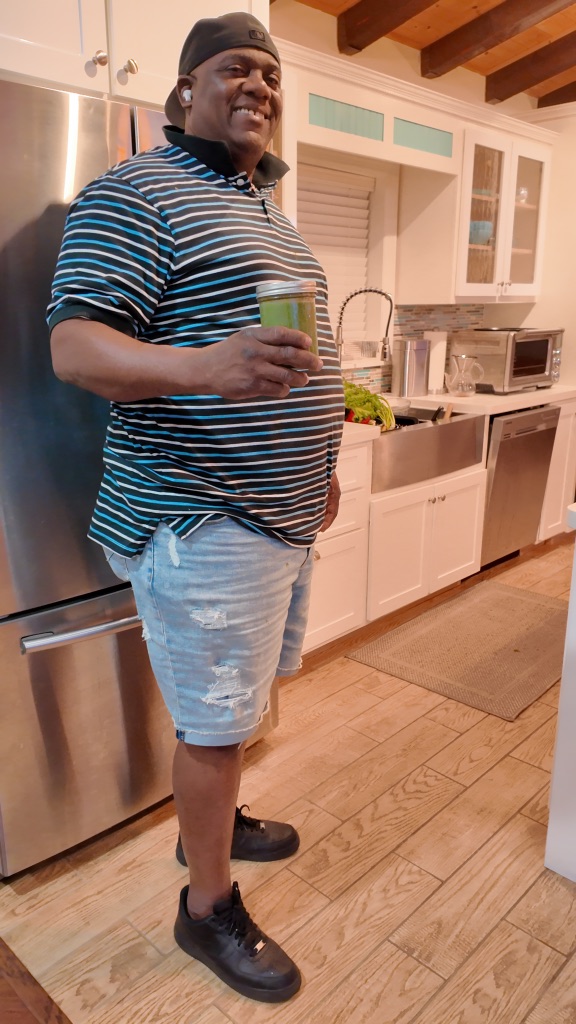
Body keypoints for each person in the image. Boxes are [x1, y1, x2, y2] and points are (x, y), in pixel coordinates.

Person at [47, 11, 343, 1004]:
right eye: (232, 70)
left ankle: (210, 823)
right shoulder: (139, 190)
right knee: (213, 724)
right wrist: (203, 366)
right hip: (201, 513)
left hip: (280, 513)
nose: (256, 86)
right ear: (185, 90)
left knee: (242, 701)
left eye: (269, 73)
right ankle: (206, 905)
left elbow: (293, 366)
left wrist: (322, 467)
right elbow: (76, 347)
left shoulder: (265, 208)